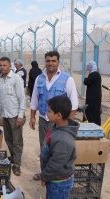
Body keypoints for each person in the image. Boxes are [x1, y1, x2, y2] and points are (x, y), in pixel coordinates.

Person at [29, 51, 78, 181]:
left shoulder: (67, 79)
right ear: (45, 62)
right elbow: (34, 98)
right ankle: (44, 173)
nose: (50, 63)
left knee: (58, 149)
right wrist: (32, 117)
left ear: (58, 62)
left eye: (53, 61)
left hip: (59, 123)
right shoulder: (40, 78)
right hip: (44, 119)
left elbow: (74, 105)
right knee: (44, 148)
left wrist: (66, 125)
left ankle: (57, 176)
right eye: (48, 61)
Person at [41, 95, 79, 199]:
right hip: (54, 179)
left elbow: (56, 164)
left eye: (49, 111)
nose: (46, 113)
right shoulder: (56, 126)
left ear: (58, 115)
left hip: (59, 183)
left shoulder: (63, 139)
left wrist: (44, 177)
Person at [0, 57, 26, 176]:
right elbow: (1, 99)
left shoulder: (16, 79)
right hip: (5, 115)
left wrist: (20, 116)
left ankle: (17, 165)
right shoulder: (1, 80)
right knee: (8, 139)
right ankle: (13, 158)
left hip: (15, 115)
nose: (2, 67)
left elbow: (22, 98)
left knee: (17, 141)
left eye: (4, 65)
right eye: (0, 65)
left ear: (10, 66)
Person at [84, 61, 102, 125]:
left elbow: (86, 82)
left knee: (91, 112)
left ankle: (93, 127)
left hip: (93, 99)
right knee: (93, 112)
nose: (87, 68)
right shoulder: (96, 74)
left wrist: (86, 78)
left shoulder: (94, 74)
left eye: (88, 66)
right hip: (94, 98)